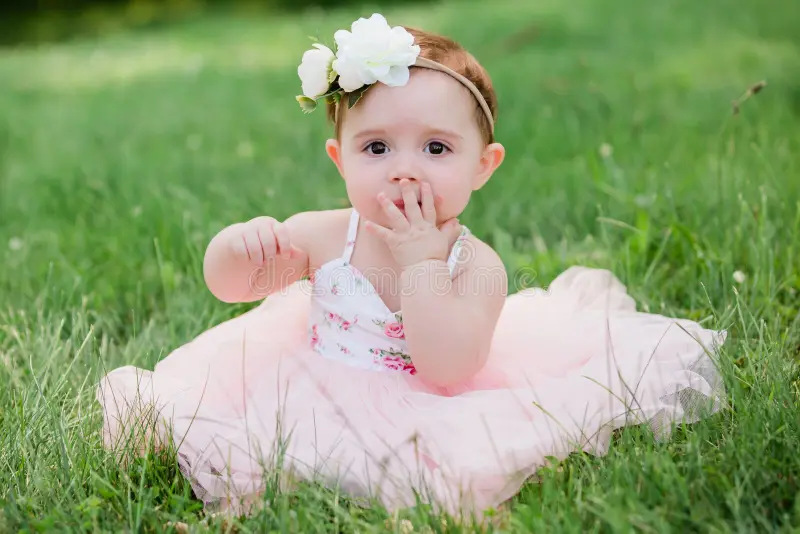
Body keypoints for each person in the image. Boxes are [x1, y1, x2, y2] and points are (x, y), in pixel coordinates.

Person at [96, 13, 728, 522]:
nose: (404, 168)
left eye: (435, 147)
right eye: (376, 147)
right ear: (340, 160)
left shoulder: (474, 263)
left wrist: (422, 263)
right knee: (255, 437)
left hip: (422, 399)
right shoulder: (327, 233)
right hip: (314, 377)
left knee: (433, 471)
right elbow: (232, 288)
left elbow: (447, 365)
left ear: (483, 165)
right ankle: (241, 501)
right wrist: (242, 247)